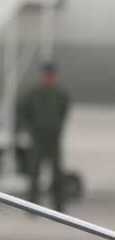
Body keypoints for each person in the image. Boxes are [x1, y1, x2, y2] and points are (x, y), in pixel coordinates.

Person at [19, 61, 70, 211]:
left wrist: (57, 127)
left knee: (57, 171)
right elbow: (24, 111)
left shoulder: (59, 94)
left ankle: (59, 204)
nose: (48, 77)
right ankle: (32, 205)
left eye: (50, 74)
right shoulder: (33, 94)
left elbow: (64, 110)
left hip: (53, 138)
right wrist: (32, 128)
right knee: (34, 171)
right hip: (38, 138)